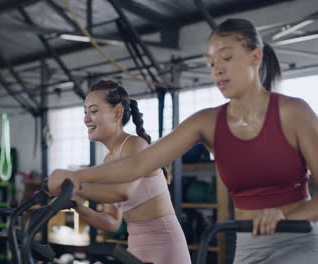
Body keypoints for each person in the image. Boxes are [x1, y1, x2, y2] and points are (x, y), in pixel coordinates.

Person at [49, 18, 318, 263]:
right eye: (212, 63)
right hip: (248, 244)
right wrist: (76, 177)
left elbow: (125, 186)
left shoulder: (293, 112)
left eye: (226, 58)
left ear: (255, 57)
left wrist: (285, 216)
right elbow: (139, 163)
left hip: (299, 239)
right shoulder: (207, 122)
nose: (217, 70)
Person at [67, 80, 191, 264]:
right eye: (85, 112)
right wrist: (79, 207)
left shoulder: (134, 145)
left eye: (93, 111)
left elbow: (122, 192)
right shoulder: (108, 160)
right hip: (135, 248)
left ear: (118, 112)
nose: (86, 119)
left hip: (165, 246)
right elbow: (112, 222)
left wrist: (75, 186)